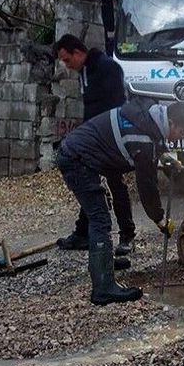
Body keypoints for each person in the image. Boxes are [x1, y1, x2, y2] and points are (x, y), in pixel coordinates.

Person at [56, 97, 184, 304]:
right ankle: (103, 288)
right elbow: (147, 187)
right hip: (77, 159)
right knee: (100, 219)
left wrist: (164, 156)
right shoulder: (142, 139)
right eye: (181, 132)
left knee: (99, 202)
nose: (179, 137)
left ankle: (97, 255)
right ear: (172, 123)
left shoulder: (149, 113)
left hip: (89, 154)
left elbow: (153, 139)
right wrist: (160, 220)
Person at [54, 34, 137, 257]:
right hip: (93, 137)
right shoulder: (84, 73)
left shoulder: (107, 68)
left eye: (67, 60)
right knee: (88, 183)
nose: (66, 66)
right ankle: (83, 232)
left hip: (109, 137)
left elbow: (116, 105)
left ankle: (127, 235)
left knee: (115, 183)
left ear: (78, 53)